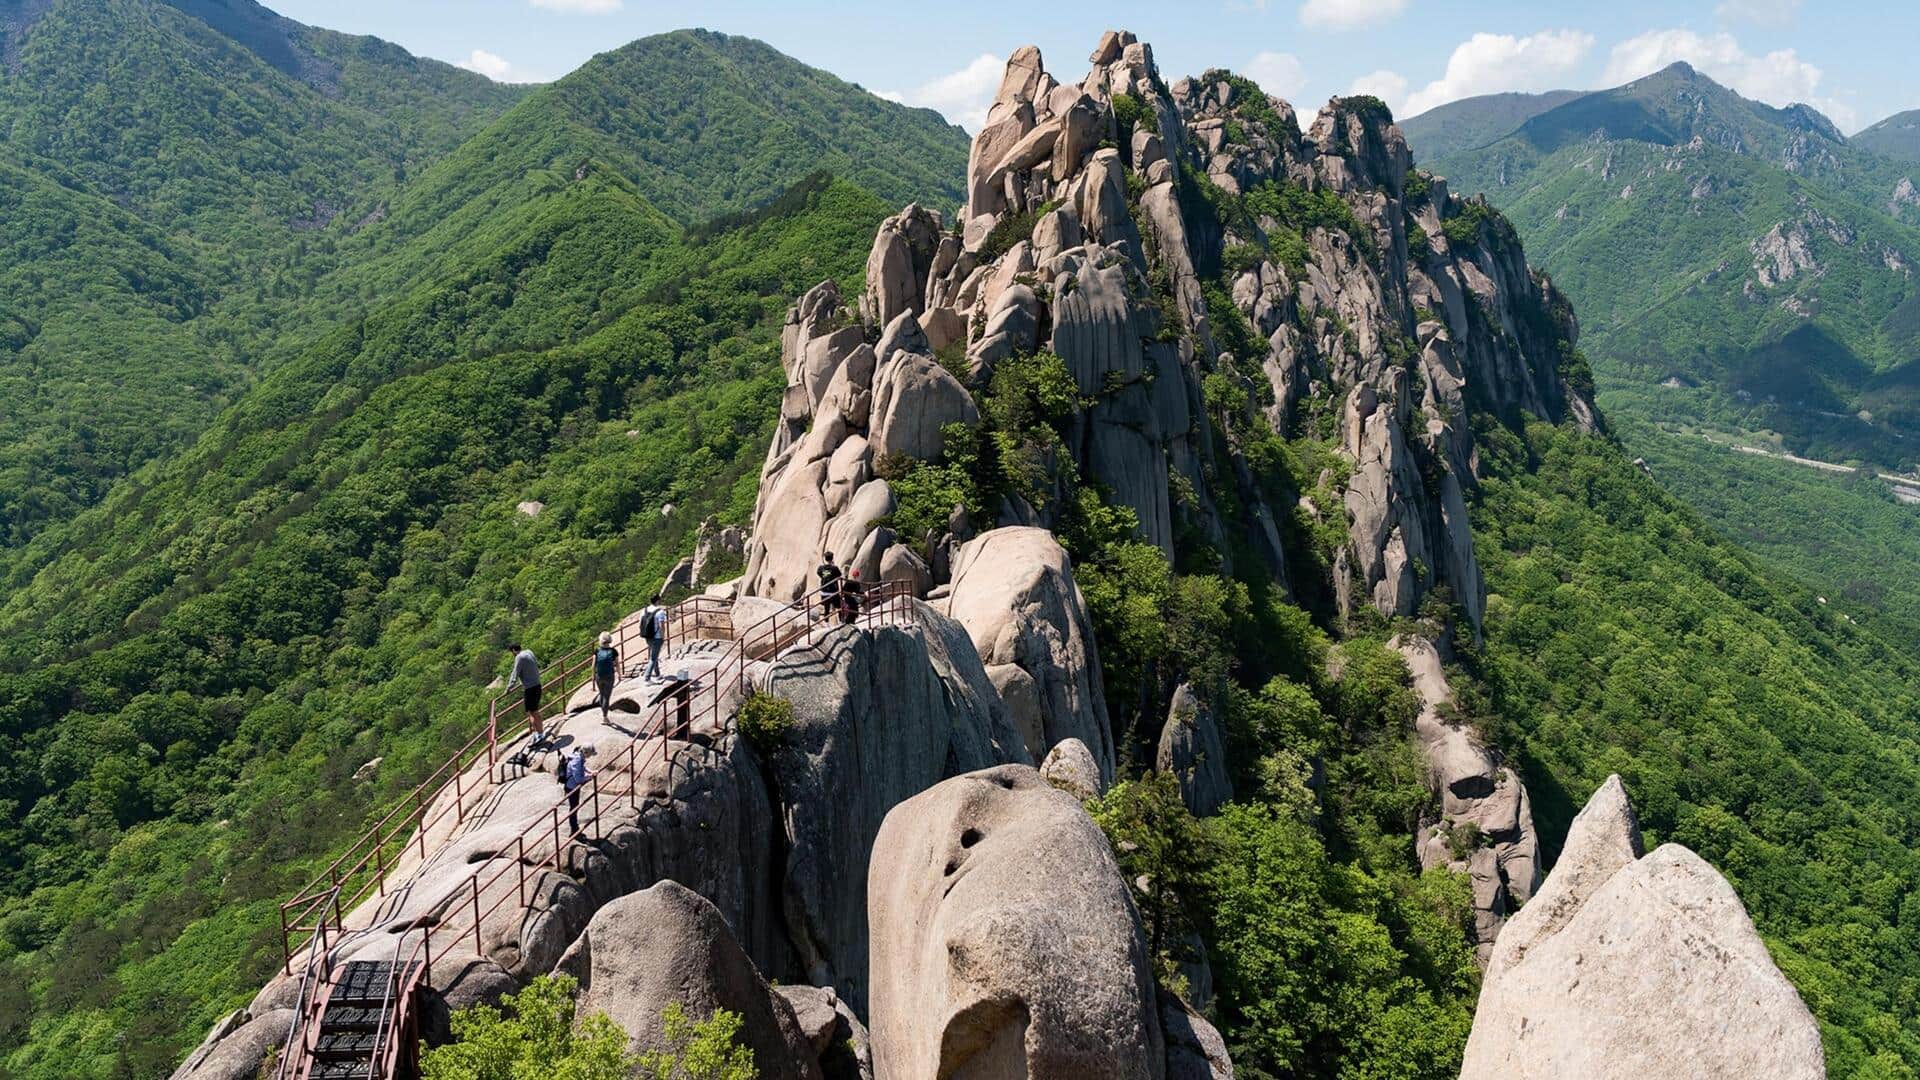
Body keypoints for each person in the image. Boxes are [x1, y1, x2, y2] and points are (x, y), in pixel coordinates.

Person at [506, 642, 549, 749]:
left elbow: (514, 673)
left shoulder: (519, 657)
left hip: (530, 688)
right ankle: (539, 732)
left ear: (513, 651)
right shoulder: (529, 652)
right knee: (535, 711)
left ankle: (539, 735)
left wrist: (509, 688)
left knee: (532, 712)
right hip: (537, 685)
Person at [558, 743, 597, 835]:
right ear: (586, 753)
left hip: (571, 785)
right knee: (574, 808)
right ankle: (574, 829)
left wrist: (590, 772)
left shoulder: (577, 755)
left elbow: (582, 767)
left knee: (575, 807)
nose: (590, 757)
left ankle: (575, 827)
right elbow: (578, 779)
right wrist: (590, 776)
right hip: (572, 787)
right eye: (590, 755)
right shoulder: (577, 760)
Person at [639, 593, 667, 681]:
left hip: (647, 636)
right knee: (653, 658)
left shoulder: (644, 610)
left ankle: (657, 674)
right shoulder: (660, 612)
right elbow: (662, 626)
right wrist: (663, 637)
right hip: (657, 637)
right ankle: (647, 678)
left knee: (654, 655)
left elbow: (640, 623)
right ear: (658, 601)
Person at [593, 631, 619, 721]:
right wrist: (619, 675)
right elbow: (617, 664)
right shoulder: (613, 651)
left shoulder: (597, 651)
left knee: (602, 694)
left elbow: (593, 665)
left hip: (599, 676)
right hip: (609, 676)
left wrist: (593, 676)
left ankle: (602, 711)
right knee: (606, 697)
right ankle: (605, 717)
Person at [816, 551, 842, 621]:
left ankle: (826, 622)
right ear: (832, 558)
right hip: (833, 592)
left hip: (824, 592)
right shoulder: (834, 568)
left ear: (825, 558)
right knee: (839, 607)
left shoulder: (821, 568)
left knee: (826, 609)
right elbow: (839, 575)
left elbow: (819, 573)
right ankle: (841, 621)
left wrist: (825, 575)